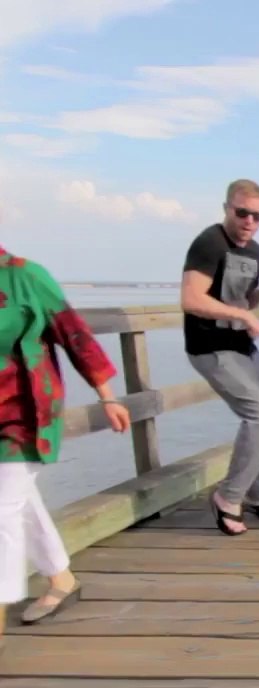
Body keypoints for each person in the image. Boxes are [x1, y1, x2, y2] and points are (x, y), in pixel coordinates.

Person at [0, 241, 130, 648]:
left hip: (24, 413)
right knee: (16, 499)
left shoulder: (25, 276)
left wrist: (107, 395)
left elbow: (76, 336)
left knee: (2, 509)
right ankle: (60, 575)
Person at [180, 179, 259, 536]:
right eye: (242, 213)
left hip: (241, 345)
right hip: (210, 345)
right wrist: (243, 316)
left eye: (258, 216)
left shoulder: (254, 251)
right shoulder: (209, 243)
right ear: (227, 208)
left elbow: (244, 302)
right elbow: (192, 299)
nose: (249, 222)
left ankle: (256, 494)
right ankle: (228, 497)